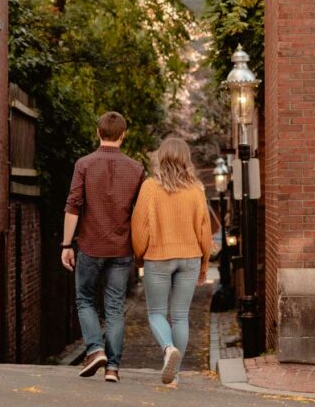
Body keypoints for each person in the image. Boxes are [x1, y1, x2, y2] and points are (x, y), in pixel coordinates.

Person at [62, 111, 144, 382]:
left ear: (98, 133)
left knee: (85, 299)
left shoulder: (84, 164)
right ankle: (113, 368)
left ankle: (95, 349)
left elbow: (73, 205)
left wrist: (66, 244)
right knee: (115, 306)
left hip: (90, 245)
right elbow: (141, 213)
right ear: (124, 134)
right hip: (121, 249)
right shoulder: (136, 169)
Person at [131, 136, 212, 387]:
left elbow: (139, 227)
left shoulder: (149, 187)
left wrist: (139, 257)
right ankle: (174, 375)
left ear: (161, 157)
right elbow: (205, 230)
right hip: (190, 258)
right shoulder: (197, 189)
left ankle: (168, 350)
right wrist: (205, 264)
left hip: (158, 256)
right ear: (185, 159)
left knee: (156, 313)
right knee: (180, 316)